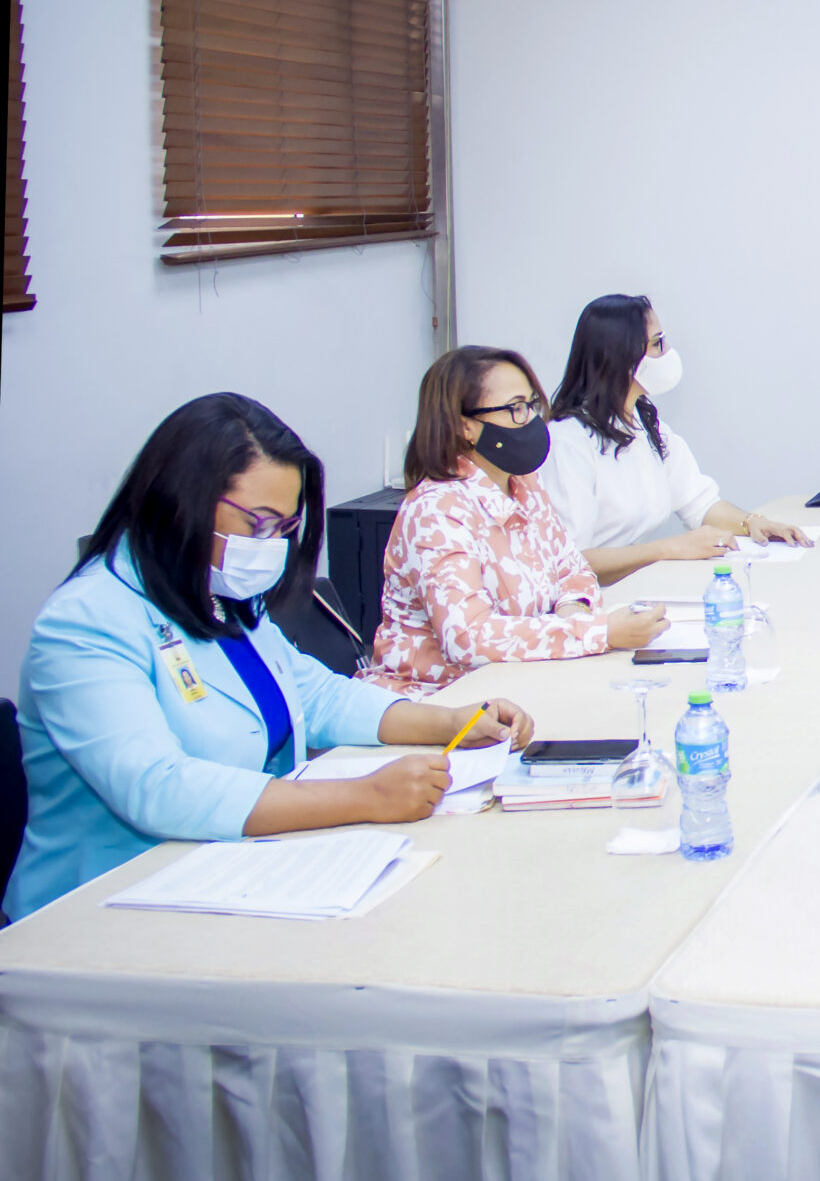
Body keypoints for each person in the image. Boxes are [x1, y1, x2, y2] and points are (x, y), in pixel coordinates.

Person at [4, 395, 535, 921]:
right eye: (257, 524)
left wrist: (449, 721)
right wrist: (368, 796)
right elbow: (156, 787)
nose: (269, 547)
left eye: (283, 530)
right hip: (98, 913)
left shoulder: (221, 595)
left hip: (231, 873)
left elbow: (318, 695)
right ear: (180, 500)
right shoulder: (86, 621)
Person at [365, 347, 666, 697]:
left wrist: (572, 615)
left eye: (531, 404)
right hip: (439, 702)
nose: (531, 421)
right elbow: (468, 638)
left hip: (522, 684)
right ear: (466, 427)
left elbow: (574, 570)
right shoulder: (436, 511)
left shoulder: (524, 485)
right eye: (515, 409)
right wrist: (598, 633)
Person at [544, 294, 809, 585]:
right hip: (590, 603)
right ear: (620, 356)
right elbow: (571, 561)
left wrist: (753, 523)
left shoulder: (645, 425)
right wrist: (668, 549)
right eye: (657, 344)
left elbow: (699, 502)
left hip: (636, 586)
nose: (668, 352)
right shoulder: (568, 440)